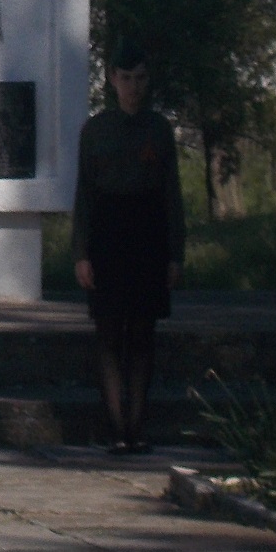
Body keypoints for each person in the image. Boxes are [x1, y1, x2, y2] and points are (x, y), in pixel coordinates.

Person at [71, 40, 185, 453]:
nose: (133, 87)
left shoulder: (158, 129)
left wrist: (176, 253)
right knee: (107, 333)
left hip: (148, 230)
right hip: (107, 231)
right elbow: (83, 194)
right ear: (112, 80)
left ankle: (137, 427)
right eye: (125, 79)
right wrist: (81, 252)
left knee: (141, 333)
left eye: (139, 79)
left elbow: (172, 194)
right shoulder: (96, 130)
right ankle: (116, 427)